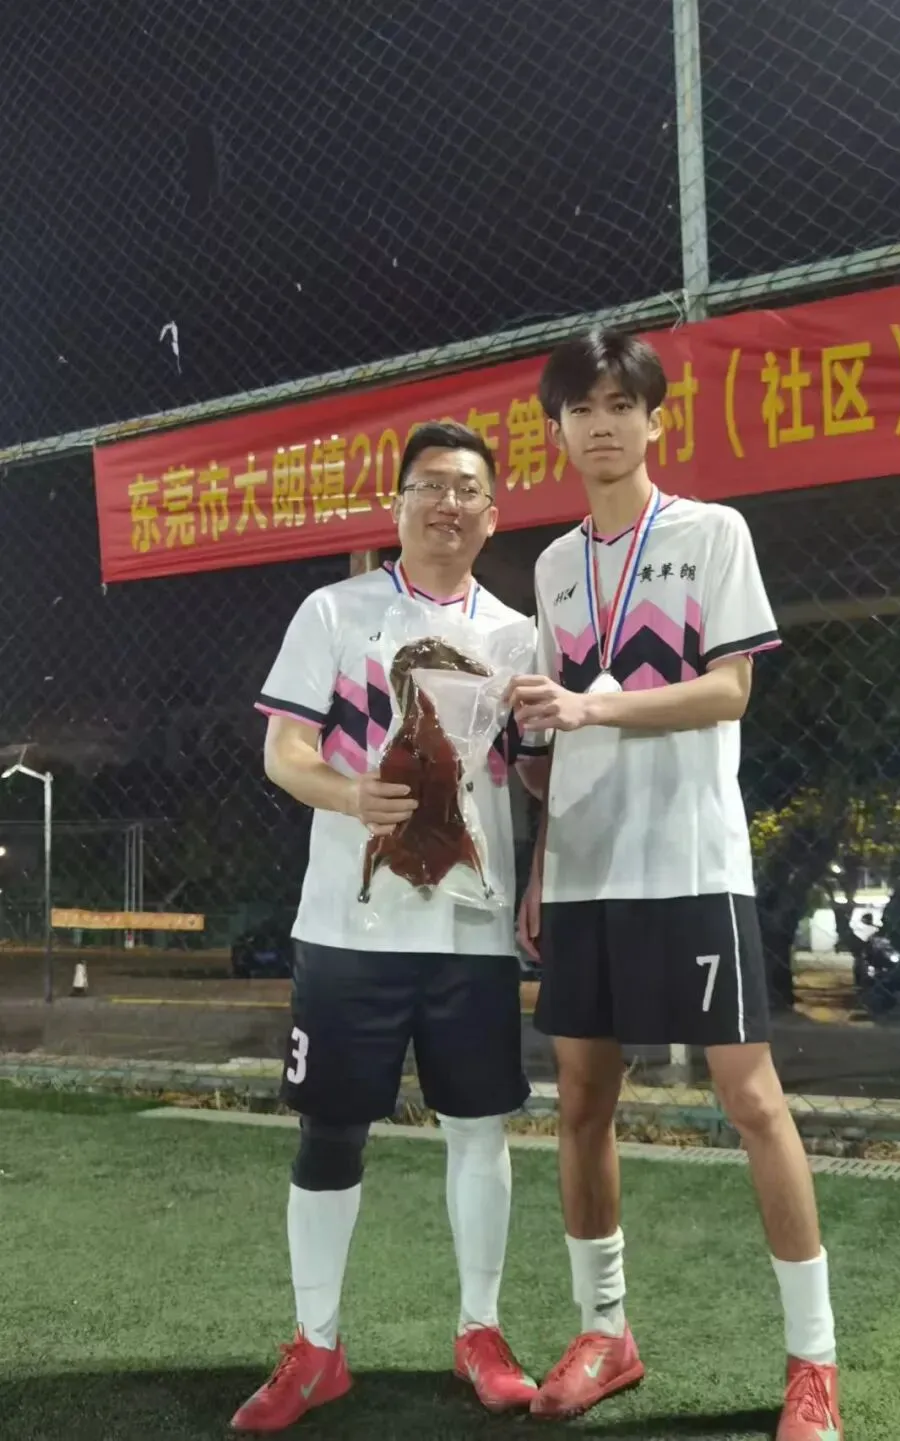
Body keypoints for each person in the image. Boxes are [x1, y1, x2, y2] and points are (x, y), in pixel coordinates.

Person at [509, 330, 843, 1440]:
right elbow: (556, 733)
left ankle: (813, 1363)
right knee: (581, 1103)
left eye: (621, 404)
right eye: (581, 408)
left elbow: (729, 690)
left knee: (750, 1099)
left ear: (656, 419)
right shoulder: (553, 568)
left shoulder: (711, 532)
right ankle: (605, 1332)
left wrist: (592, 705)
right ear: (557, 431)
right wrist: (539, 852)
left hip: (691, 861)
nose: (602, 424)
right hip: (586, 867)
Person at [231, 421, 547, 1433]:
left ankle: (480, 1331)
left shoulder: (520, 636)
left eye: (468, 489)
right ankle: (317, 1345)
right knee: (331, 1127)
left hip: (471, 933)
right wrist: (348, 793)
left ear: (493, 515)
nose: (449, 503)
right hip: (347, 926)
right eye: (430, 486)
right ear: (397, 504)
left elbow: (536, 775)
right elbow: (284, 750)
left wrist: (554, 766)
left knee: (479, 1127)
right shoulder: (335, 610)